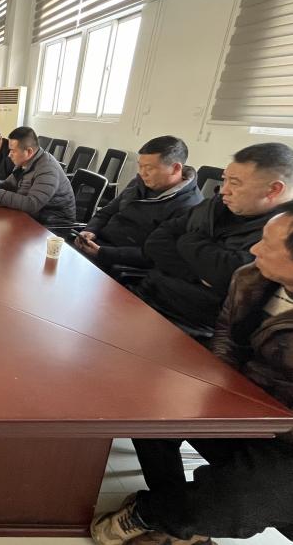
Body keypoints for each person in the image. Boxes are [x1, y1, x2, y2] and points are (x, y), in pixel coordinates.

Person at [91, 208, 293, 545]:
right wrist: (219, 388)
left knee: (237, 499)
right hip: (242, 399)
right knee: (150, 405)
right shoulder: (251, 277)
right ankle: (173, 516)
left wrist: (259, 416)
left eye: (268, 246)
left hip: (284, 436)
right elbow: (226, 335)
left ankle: (150, 513)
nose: (254, 249)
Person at [133, 142, 293, 332]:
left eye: (235, 183)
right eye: (225, 180)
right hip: (148, 292)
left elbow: (228, 278)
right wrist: (198, 276)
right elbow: (155, 242)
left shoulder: (281, 234)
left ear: (273, 189)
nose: (224, 190)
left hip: (192, 325)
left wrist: (186, 240)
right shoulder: (214, 206)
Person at [74, 136, 203, 270]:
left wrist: (102, 253)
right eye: (140, 166)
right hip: (97, 245)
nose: (142, 173)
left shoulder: (189, 206)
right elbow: (107, 212)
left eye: (149, 168)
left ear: (175, 168)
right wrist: (90, 230)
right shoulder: (138, 183)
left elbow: (155, 254)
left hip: (120, 263)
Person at [0, 126, 76, 226]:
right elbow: (8, 184)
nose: (9, 155)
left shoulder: (47, 169)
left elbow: (32, 204)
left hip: (52, 225)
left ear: (29, 151)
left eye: (13, 151)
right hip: (31, 217)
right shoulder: (25, 161)